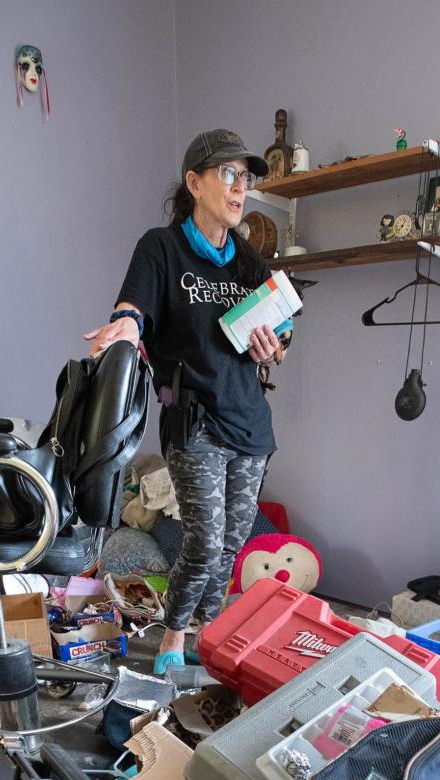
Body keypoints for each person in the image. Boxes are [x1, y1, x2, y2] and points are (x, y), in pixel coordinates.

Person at [84, 129, 292, 673]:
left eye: (244, 178)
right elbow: (133, 307)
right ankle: (174, 639)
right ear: (194, 183)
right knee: (202, 541)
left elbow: (280, 333)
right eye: (228, 174)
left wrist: (275, 346)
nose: (239, 188)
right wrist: (126, 327)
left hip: (249, 421)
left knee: (231, 545)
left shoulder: (247, 260)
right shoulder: (162, 247)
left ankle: (205, 629)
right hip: (193, 418)